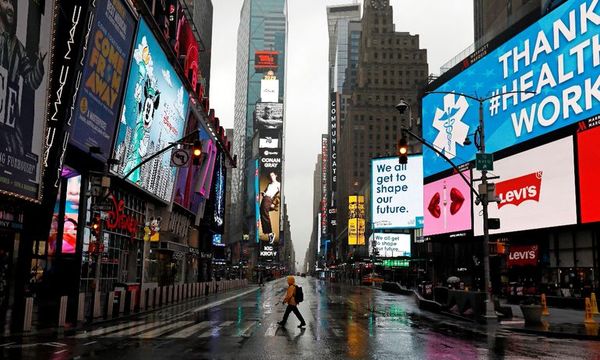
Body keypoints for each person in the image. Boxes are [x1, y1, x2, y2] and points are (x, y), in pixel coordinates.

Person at [260, 172, 280, 244]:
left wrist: (274, 203)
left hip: (269, 199)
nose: (271, 176)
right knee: (263, 213)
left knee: (264, 213)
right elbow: (266, 192)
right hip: (265, 198)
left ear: (275, 175)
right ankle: (269, 234)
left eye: (272, 175)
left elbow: (279, 195)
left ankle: (270, 234)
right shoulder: (269, 184)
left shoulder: (278, 184)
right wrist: (264, 193)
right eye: (270, 175)